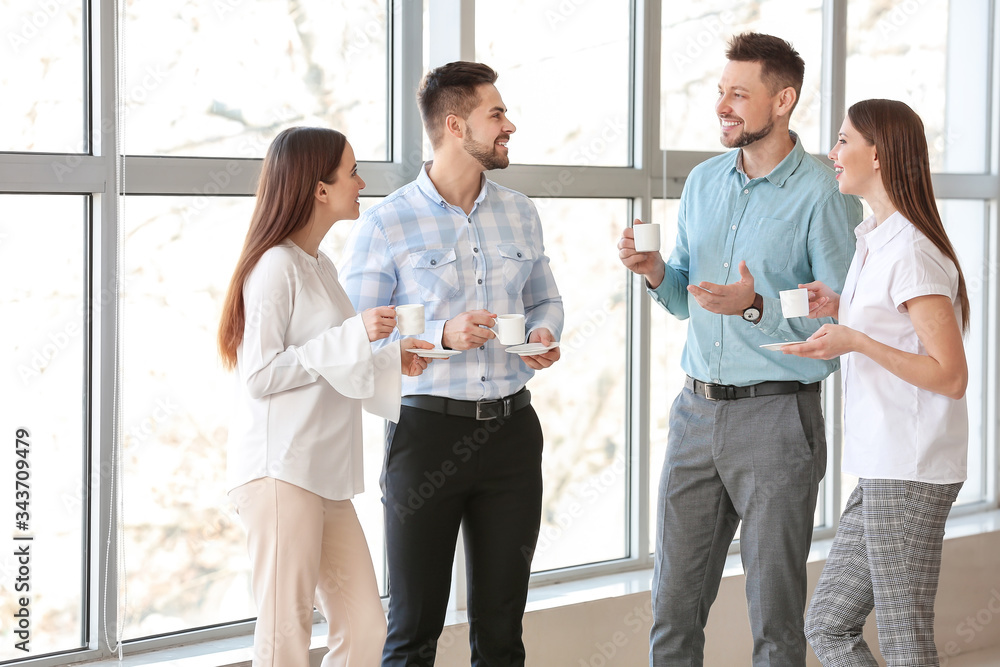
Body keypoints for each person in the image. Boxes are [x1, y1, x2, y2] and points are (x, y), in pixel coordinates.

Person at [618, 33, 863, 666]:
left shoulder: (825, 192)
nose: (722, 105)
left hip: (778, 418)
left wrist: (755, 307)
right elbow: (683, 297)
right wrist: (652, 272)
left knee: (775, 617)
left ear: (782, 100)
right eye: (720, 91)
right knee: (672, 609)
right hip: (695, 414)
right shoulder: (702, 183)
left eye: (738, 93)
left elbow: (838, 330)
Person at [339, 61, 564, 667]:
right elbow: (354, 338)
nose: (509, 125)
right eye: (497, 114)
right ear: (455, 124)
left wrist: (544, 330)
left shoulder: (520, 212)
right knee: (413, 631)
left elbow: (546, 297)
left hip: (514, 434)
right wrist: (441, 335)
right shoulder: (388, 222)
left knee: (501, 632)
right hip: (426, 434)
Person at [218, 126, 434, 667]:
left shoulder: (321, 267)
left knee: (365, 629)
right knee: (284, 635)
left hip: (324, 477)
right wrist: (355, 334)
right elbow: (261, 375)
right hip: (280, 475)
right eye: (352, 171)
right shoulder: (274, 267)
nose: (362, 182)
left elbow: (336, 365)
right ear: (319, 188)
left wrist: (391, 358)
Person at [791, 99, 969, 666]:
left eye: (843, 141)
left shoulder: (913, 250)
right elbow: (899, 327)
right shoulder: (876, 239)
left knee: (904, 640)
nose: (832, 153)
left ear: (880, 153)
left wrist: (856, 339)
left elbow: (950, 375)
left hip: (909, 468)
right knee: (828, 626)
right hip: (882, 466)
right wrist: (843, 309)